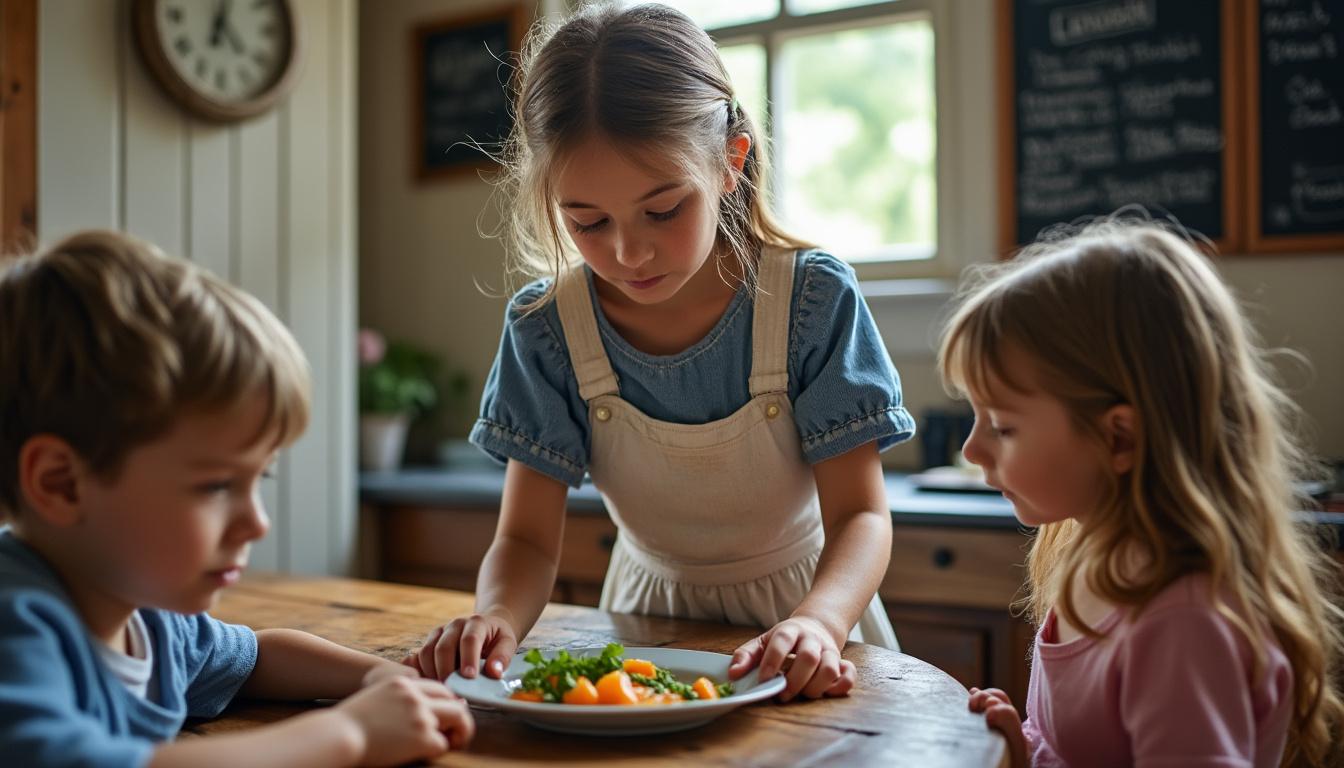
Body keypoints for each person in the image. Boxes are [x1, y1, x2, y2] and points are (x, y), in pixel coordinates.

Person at [411, 2, 914, 702]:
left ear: (729, 163)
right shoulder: (546, 329)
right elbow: (525, 540)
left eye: (664, 209)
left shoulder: (810, 301)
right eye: (586, 221)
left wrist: (821, 623)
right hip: (644, 622)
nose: (628, 251)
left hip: (809, 621)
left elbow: (861, 516)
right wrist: (496, 615)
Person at [0, 231, 474, 767]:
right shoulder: (17, 623)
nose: (257, 523)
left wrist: (383, 676)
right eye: (217, 486)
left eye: (260, 480)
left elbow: (257, 658)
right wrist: (349, 735)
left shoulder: (144, 614)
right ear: (60, 483)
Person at [941, 219, 1344, 766]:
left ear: (1119, 437)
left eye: (1003, 426)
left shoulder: (1181, 621)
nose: (971, 449)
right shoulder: (1090, 555)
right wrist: (1025, 748)